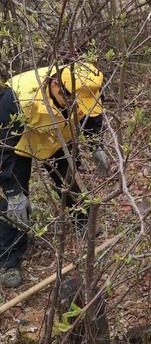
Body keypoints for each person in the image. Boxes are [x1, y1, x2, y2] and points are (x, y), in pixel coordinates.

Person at [0, 62, 110, 288]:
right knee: (14, 204)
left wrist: (96, 144)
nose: (77, 106)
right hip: (20, 145)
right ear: (57, 85)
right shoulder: (16, 98)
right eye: (73, 101)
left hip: (58, 137)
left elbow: (91, 116)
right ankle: (9, 259)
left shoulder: (85, 86)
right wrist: (12, 191)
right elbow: (3, 149)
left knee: (70, 181)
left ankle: (82, 222)